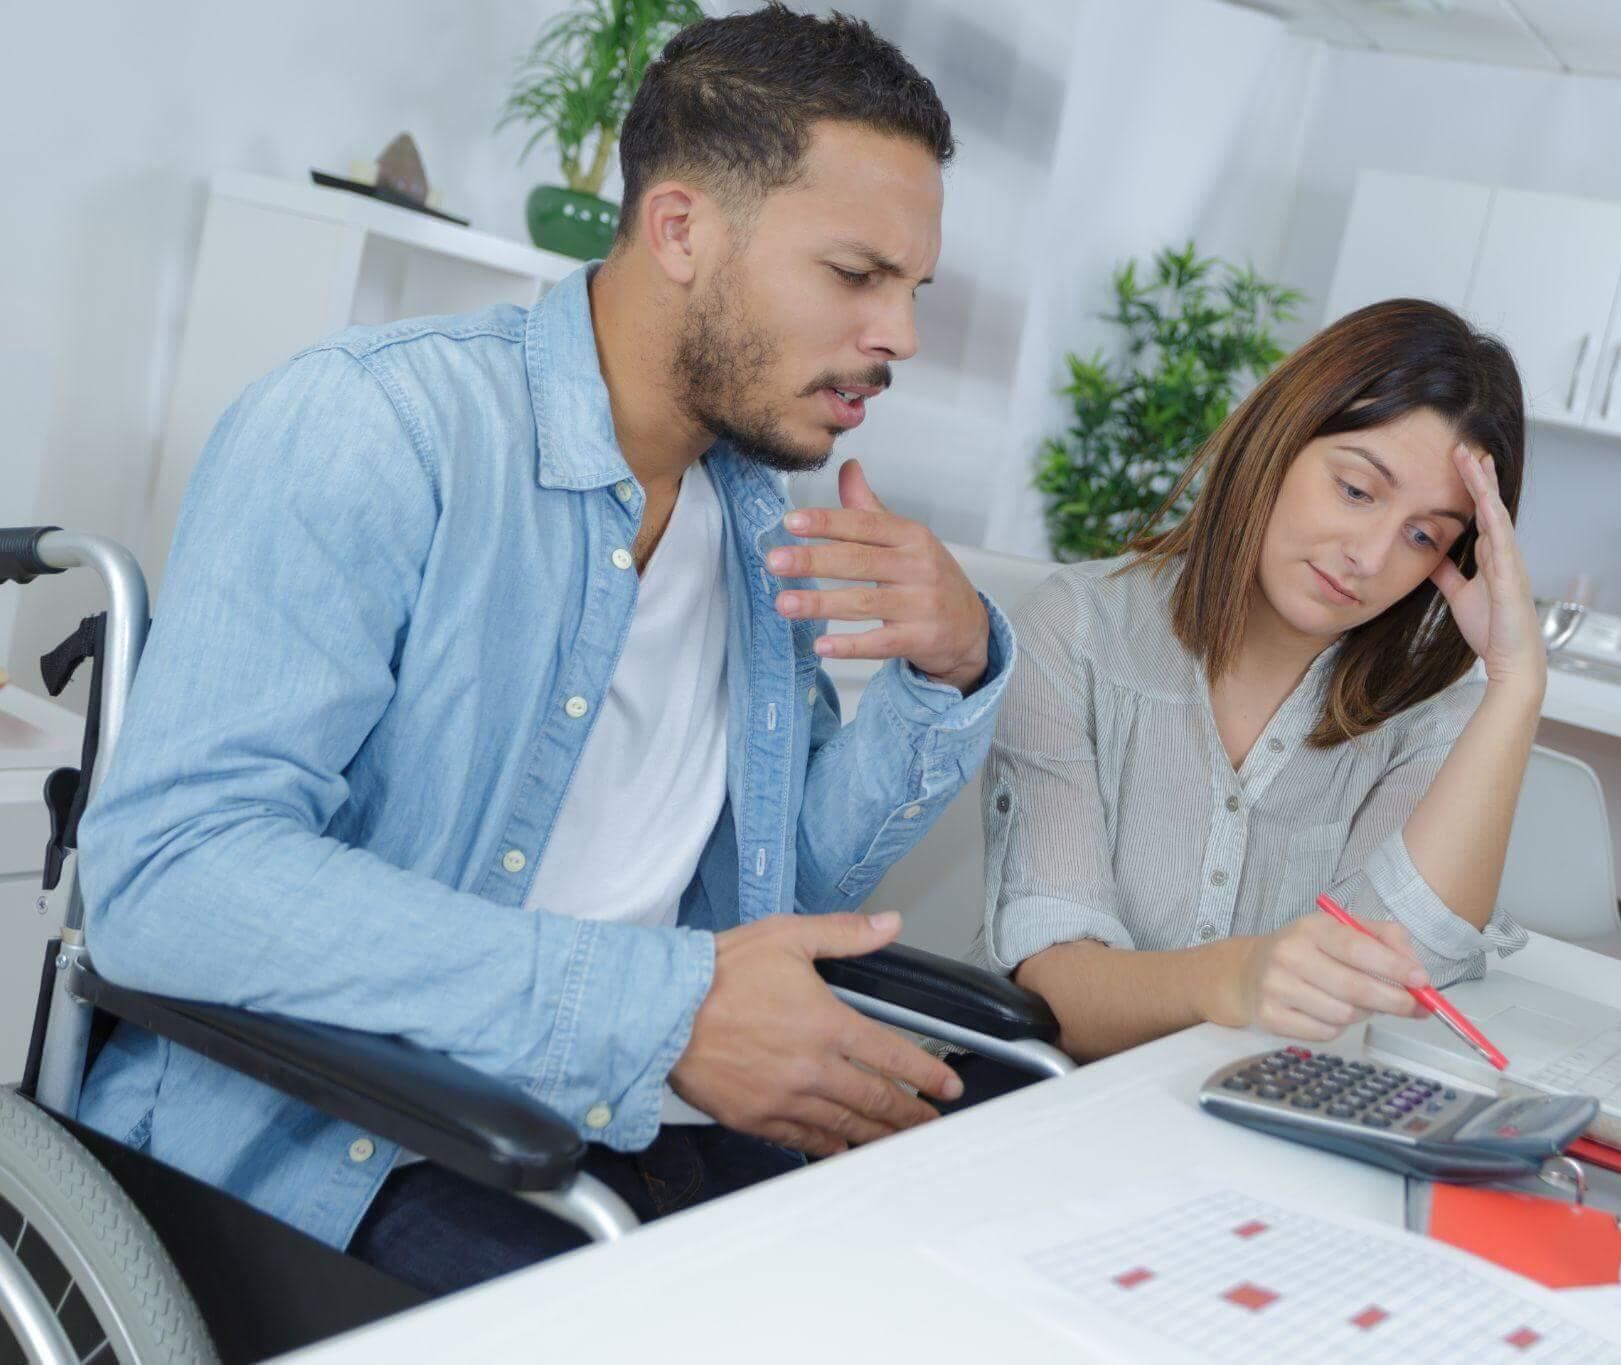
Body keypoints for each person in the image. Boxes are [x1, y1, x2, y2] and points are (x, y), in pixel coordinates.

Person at [77, 5, 1007, 1293]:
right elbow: (167, 881)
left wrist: (945, 671)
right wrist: (655, 1007)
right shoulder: (375, 427)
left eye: (913, 289)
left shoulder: (751, 513)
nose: (898, 335)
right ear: (681, 229)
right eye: (855, 275)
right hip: (357, 1148)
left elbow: (776, 884)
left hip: (639, 1122)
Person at [978, 299, 1537, 1062]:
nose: (1371, 557)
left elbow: (1398, 975)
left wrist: (1515, 685)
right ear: (1280, 440)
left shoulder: (1430, 719)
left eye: (1422, 536)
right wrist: (1236, 977)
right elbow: (1056, 993)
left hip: (1269, 1135)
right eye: (1356, 489)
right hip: (1064, 1117)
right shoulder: (1074, 633)